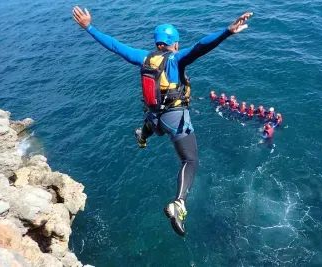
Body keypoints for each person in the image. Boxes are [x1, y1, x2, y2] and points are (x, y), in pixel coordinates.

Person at [72, 6, 253, 236]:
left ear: (157, 43)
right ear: (174, 43)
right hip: (174, 120)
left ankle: (142, 134)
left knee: (153, 127)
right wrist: (227, 31)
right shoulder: (175, 60)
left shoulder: (143, 58)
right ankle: (179, 203)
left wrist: (89, 27)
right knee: (190, 160)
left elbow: (115, 45)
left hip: (154, 118)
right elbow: (200, 47)